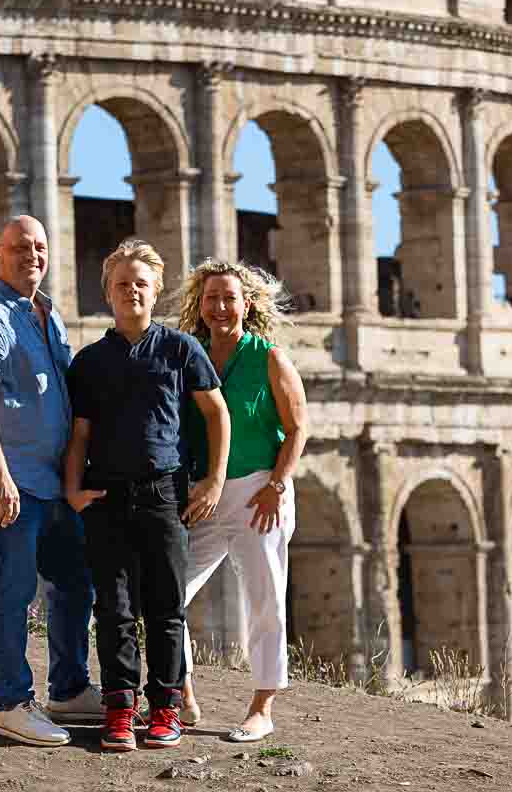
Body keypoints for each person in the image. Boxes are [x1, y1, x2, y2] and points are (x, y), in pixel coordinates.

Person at [64, 239, 231, 752]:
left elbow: (216, 414)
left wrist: (213, 481)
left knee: (165, 607)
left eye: (141, 283)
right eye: (121, 283)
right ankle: (119, 709)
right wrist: (72, 490)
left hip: (164, 493)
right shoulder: (90, 360)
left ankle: (164, 709)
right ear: (107, 293)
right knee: (112, 609)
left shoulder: (182, 349)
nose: (131, 290)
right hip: (107, 496)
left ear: (156, 290)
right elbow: (80, 435)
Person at [0, 215, 101, 747]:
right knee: (11, 591)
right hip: (9, 482)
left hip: (49, 481)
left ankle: (69, 687)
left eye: (39, 247)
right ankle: (11, 703)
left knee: (75, 581)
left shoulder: (47, 316)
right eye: (19, 247)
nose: (30, 255)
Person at [176, 259, 309, 743]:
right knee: (168, 591)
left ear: (246, 304)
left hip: (258, 492)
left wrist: (276, 485)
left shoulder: (269, 357)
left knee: (265, 598)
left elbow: (297, 429)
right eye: (211, 298)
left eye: (229, 298)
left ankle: (262, 707)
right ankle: (182, 691)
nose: (220, 307)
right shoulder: (190, 356)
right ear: (200, 304)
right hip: (205, 493)